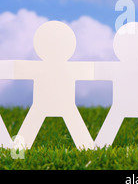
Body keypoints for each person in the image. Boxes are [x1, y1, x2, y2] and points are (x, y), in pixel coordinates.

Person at [14, 21, 95, 150]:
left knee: (27, 133)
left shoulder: (62, 67)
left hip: (57, 104)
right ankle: (18, 148)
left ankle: (18, 148)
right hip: (50, 104)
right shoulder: (68, 67)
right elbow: (92, 71)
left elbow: (17, 69)